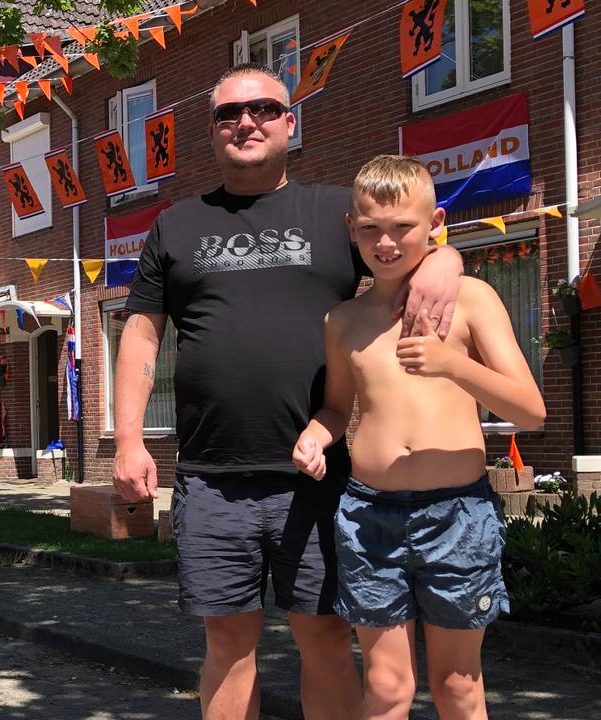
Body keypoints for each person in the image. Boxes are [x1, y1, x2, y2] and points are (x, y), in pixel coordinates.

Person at [111, 64, 466, 720]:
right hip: (212, 479)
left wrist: (448, 259)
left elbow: (412, 240)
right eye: (229, 113)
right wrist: (129, 440)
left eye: (264, 109)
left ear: (289, 122)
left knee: (326, 636)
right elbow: (140, 335)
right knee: (227, 644)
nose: (246, 122)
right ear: (211, 129)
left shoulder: (336, 211)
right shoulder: (177, 225)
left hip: (320, 473)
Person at [292, 155, 545, 719]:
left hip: (456, 514)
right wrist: (316, 433)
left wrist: (453, 364)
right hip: (367, 516)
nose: (386, 242)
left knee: (457, 685)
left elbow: (529, 410)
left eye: (403, 227)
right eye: (370, 229)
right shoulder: (344, 320)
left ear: (435, 223)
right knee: (384, 687)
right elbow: (337, 407)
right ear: (351, 229)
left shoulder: (470, 298)